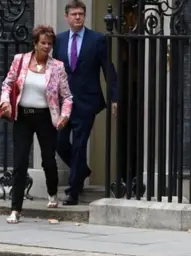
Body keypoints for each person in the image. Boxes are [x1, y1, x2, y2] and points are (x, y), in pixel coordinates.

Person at [0, 25, 73, 223]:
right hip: (23, 116)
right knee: (20, 160)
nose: (46, 46)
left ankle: (52, 192)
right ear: (35, 43)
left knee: (48, 159)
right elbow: (7, 83)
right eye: (43, 43)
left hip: (45, 118)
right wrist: (5, 101)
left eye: (49, 43)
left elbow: (67, 97)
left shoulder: (57, 67)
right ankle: (15, 209)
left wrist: (64, 115)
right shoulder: (20, 60)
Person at [53, 0, 118, 205]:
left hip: (86, 101)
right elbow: (52, 72)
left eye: (81, 14)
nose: (77, 17)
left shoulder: (97, 39)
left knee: (80, 144)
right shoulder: (59, 40)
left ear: (85, 16)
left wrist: (114, 97)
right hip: (63, 103)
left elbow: (109, 68)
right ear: (67, 17)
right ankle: (82, 170)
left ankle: (73, 191)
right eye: (73, 14)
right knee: (60, 142)